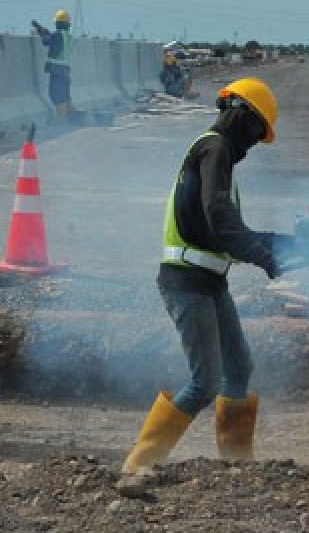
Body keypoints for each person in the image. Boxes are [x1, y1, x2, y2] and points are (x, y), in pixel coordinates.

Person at [121, 77, 297, 473]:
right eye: (256, 132)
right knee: (205, 383)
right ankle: (138, 466)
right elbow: (220, 221)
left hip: (209, 282)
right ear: (242, 116)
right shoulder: (214, 148)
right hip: (187, 283)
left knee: (239, 368)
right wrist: (264, 257)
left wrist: (284, 244)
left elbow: (230, 228)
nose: (253, 145)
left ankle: (236, 463)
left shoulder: (215, 156)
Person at [31, 9, 73, 121]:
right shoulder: (68, 36)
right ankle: (69, 117)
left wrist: (39, 30)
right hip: (66, 70)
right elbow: (51, 37)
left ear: (59, 23)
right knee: (65, 94)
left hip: (57, 70)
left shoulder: (58, 35)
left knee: (56, 95)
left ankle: (62, 120)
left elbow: (47, 40)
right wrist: (39, 27)